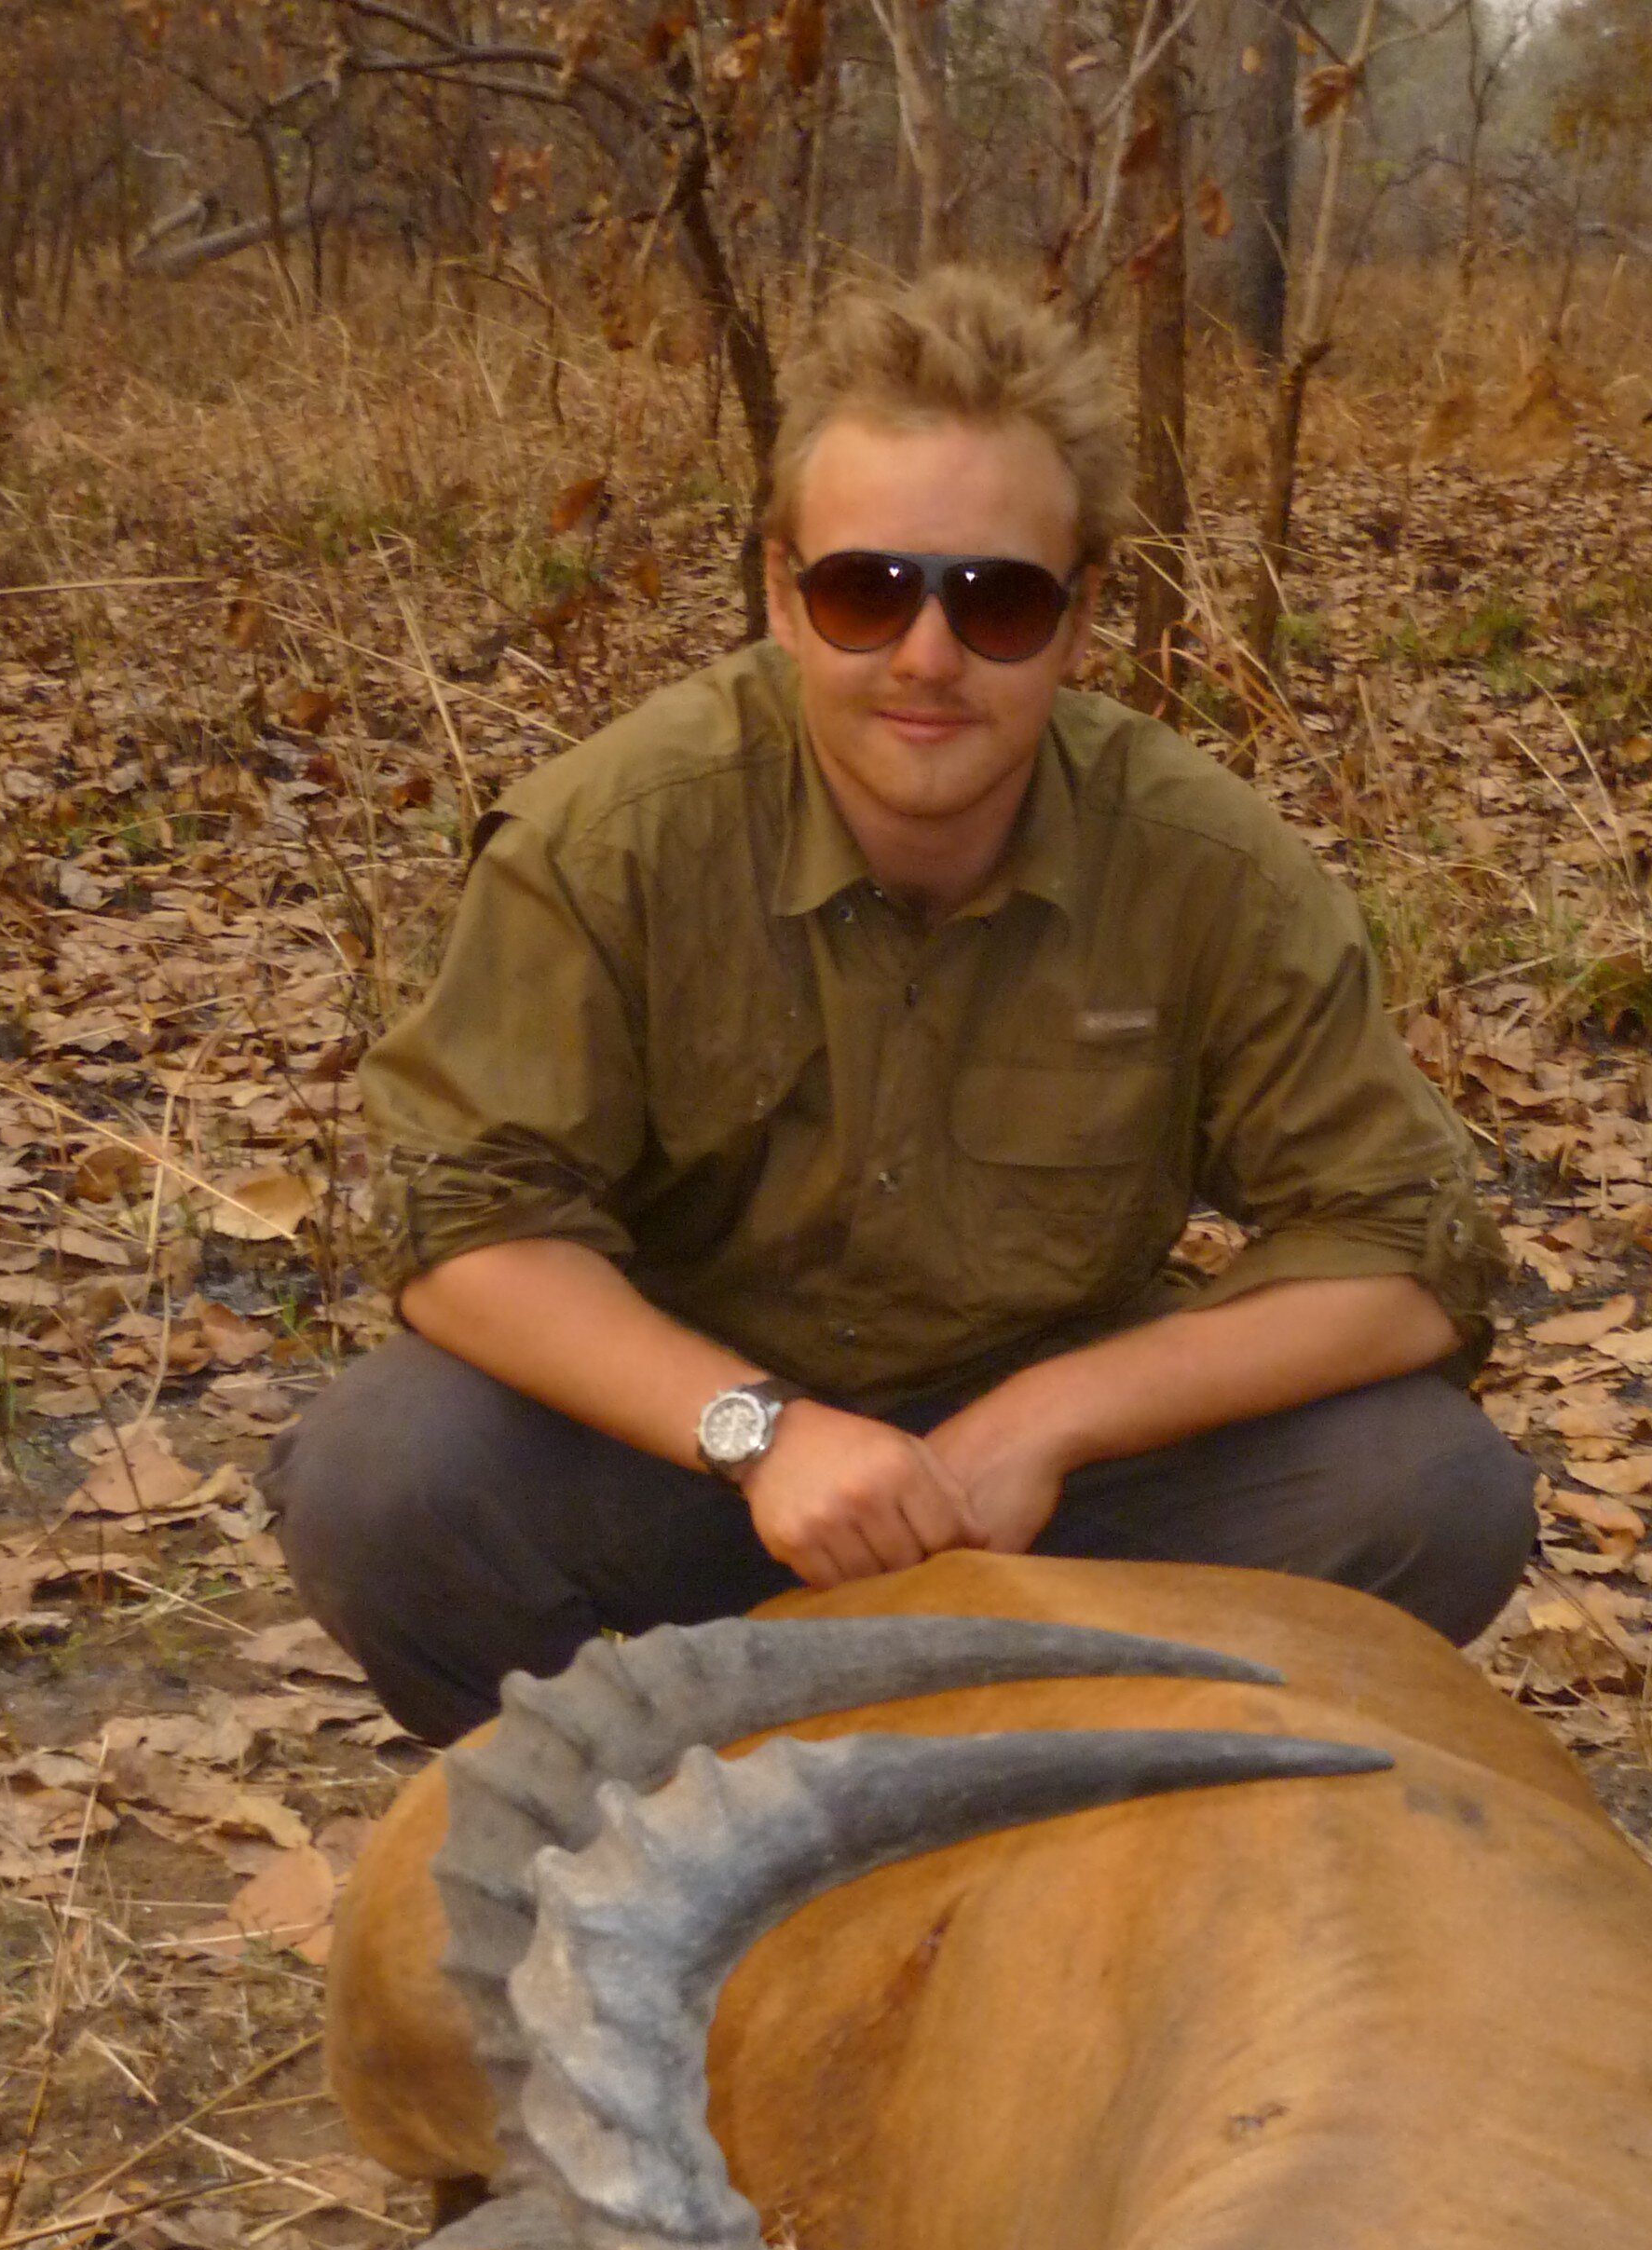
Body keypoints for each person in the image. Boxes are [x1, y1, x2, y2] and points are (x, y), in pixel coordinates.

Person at [267, 265, 1534, 1744]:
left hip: (1046, 1504)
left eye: (998, 603)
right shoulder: (614, 839)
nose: (926, 658)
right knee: (386, 1479)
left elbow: (1408, 1246)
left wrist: (1049, 1421)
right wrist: (762, 1433)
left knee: (1435, 1492)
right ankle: (638, 1836)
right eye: (865, 591)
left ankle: (1079, 1776)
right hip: (696, 1470)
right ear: (779, 595)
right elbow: (466, 1228)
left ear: (1083, 616)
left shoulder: (1207, 869)